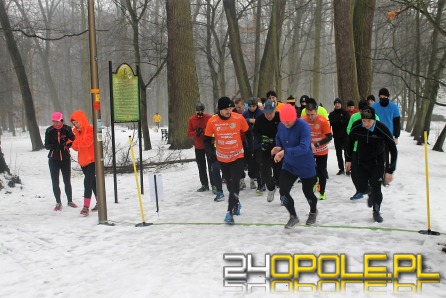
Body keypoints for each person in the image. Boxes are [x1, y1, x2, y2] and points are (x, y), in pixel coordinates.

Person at [345, 106, 398, 223]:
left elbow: (393, 149)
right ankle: (369, 192)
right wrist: (348, 159)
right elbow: (350, 141)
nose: (366, 124)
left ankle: (376, 211)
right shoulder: (358, 126)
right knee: (361, 187)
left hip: (377, 162)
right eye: (364, 121)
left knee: (377, 187)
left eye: (369, 121)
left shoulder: (381, 128)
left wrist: (390, 170)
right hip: (361, 160)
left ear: (374, 119)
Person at [271, 104, 319, 228]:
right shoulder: (281, 126)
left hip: (305, 165)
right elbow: (278, 137)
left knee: (307, 192)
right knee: (283, 191)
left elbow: (304, 148)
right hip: (289, 165)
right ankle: (293, 216)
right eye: (284, 120)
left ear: (295, 117)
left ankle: (313, 211)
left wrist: (285, 152)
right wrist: (278, 147)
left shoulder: (303, 127)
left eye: (289, 120)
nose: (286, 123)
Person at [204, 96, 249, 224]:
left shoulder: (238, 118)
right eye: (226, 110)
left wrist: (249, 151)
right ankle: (237, 203)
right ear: (219, 110)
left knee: (235, 182)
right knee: (229, 184)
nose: (229, 111)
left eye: (230, 108)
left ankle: (230, 212)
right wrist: (210, 154)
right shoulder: (212, 121)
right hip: (222, 157)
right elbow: (206, 140)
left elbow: (248, 133)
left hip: (237, 156)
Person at [346, 99, 380, 200]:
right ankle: (360, 190)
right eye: (360, 111)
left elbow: (379, 132)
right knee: (355, 172)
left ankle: (371, 190)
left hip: (371, 150)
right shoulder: (354, 117)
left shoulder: (375, 117)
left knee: (369, 173)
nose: (362, 113)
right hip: (356, 149)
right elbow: (349, 130)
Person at [44, 112, 77, 211]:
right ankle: (58, 202)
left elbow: (74, 139)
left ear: (61, 120)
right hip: (53, 159)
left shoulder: (67, 129)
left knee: (67, 181)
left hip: (65, 159)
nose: (56, 123)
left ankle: (70, 201)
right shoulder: (49, 130)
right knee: (55, 182)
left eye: (57, 121)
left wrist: (66, 143)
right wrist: (56, 146)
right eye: (54, 121)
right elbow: (46, 145)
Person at [302, 103, 332, 200]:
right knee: (310, 170)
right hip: (308, 150)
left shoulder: (322, 120)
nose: (310, 117)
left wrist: (317, 144)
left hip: (321, 150)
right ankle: (314, 181)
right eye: (308, 114)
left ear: (316, 112)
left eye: (312, 115)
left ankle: (322, 192)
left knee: (321, 171)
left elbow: (329, 136)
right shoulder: (302, 120)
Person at [70, 110, 98, 216]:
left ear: (82, 120)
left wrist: (76, 143)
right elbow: (75, 147)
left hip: (92, 160)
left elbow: (87, 143)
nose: (76, 125)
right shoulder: (77, 132)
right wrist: (76, 143)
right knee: (92, 181)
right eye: (74, 123)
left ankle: (86, 207)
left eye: (77, 122)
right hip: (83, 161)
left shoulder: (90, 129)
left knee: (87, 182)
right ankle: (99, 202)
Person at [253, 99, 281, 202]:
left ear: (275, 110)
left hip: (278, 148)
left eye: (271, 113)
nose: (268, 115)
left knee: (279, 172)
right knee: (264, 171)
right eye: (266, 113)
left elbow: (286, 130)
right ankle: (271, 188)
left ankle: (283, 193)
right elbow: (255, 132)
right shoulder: (260, 119)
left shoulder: (280, 117)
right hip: (265, 148)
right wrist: (262, 138)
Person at [187, 102, 215, 193]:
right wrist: (196, 132)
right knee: (201, 166)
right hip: (198, 146)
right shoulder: (191, 119)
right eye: (198, 111)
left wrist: (204, 131)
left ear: (203, 110)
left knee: (211, 165)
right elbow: (189, 133)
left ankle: (214, 184)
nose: (199, 113)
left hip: (209, 145)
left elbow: (213, 130)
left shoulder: (209, 118)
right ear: (195, 111)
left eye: (201, 111)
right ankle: (204, 184)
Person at [242, 97, 264, 193]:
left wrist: (256, 123)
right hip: (249, 143)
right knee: (251, 164)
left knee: (259, 163)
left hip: (259, 143)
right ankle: (252, 178)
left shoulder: (260, 113)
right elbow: (241, 121)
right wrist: (249, 120)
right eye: (250, 106)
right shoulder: (245, 114)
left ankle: (261, 184)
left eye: (253, 106)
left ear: (256, 106)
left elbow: (263, 123)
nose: (251, 108)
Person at [328, 98, 350, 175]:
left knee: (346, 152)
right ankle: (341, 168)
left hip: (345, 135)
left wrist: (338, 122)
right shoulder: (332, 114)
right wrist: (339, 122)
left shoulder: (345, 113)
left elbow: (346, 122)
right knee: (338, 153)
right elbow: (331, 123)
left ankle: (348, 168)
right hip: (336, 136)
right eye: (336, 103)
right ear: (334, 104)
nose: (337, 105)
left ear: (341, 104)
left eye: (338, 103)